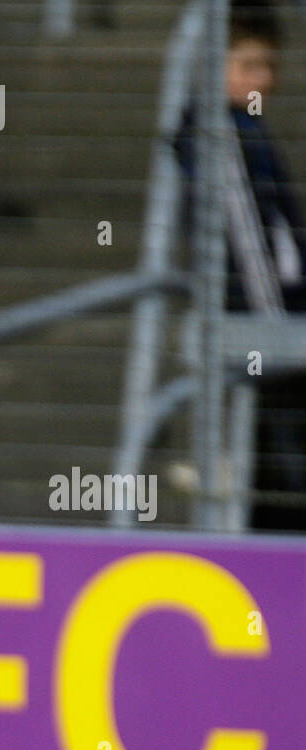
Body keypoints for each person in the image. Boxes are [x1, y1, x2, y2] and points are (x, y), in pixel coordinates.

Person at [175, 0, 306, 529]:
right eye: (249, 65)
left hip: (276, 337)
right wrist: (284, 336)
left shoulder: (248, 131)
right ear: (212, 64)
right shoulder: (218, 134)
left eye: (271, 66)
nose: (265, 80)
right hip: (264, 345)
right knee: (277, 495)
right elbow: (249, 249)